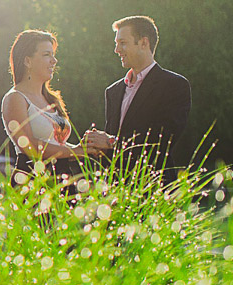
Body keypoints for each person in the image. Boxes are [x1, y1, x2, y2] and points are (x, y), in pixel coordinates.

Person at [82, 15, 191, 175]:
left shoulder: (174, 85)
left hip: (154, 186)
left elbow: (162, 141)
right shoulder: (113, 91)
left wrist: (110, 142)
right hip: (115, 189)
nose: (116, 50)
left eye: (123, 43)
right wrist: (95, 146)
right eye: (116, 44)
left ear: (143, 43)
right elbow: (110, 151)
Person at [0, 30, 89, 179]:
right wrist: (79, 152)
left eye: (53, 55)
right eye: (47, 55)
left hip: (62, 179)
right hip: (31, 180)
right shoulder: (15, 98)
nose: (54, 61)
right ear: (27, 61)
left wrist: (85, 148)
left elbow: (57, 145)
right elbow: (29, 146)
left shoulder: (52, 99)